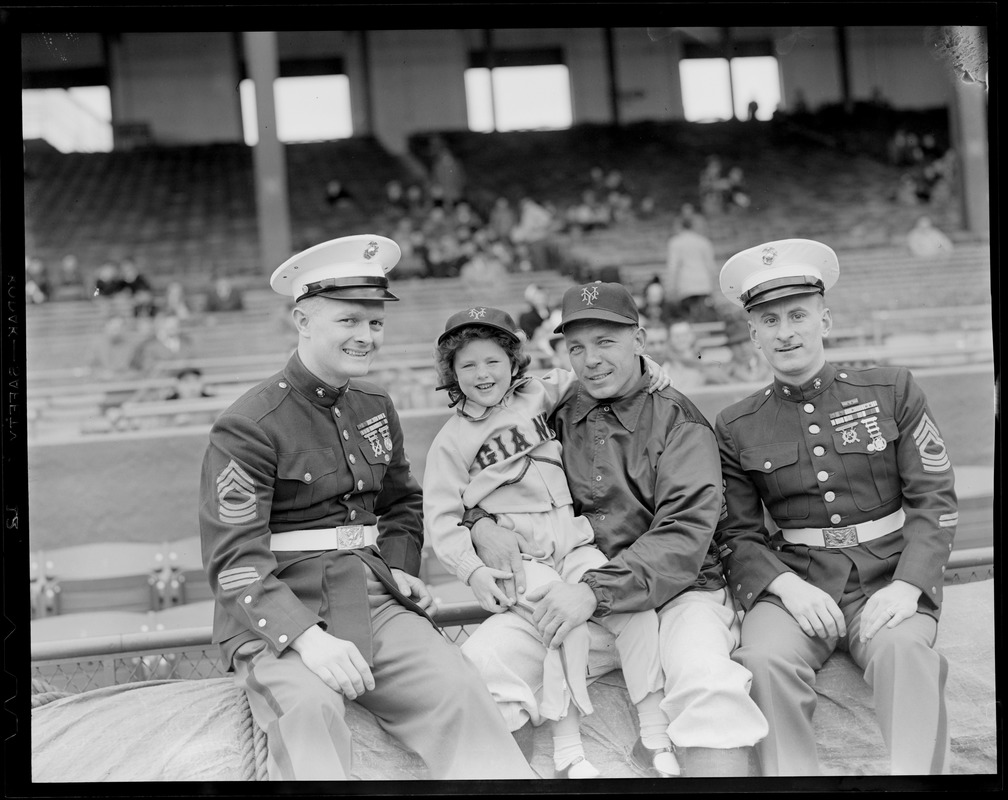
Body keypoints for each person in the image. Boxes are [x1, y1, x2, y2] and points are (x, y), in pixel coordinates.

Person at [198, 235, 538, 782]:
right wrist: (306, 638)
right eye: (348, 321)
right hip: (281, 613)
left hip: (375, 601)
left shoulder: (374, 404)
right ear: (303, 320)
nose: (365, 336)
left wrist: (401, 568)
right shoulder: (251, 422)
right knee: (311, 713)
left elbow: (402, 502)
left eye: (374, 323)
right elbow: (232, 557)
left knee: (461, 690)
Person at [460, 282, 768, 778]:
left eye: (606, 342)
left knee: (710, 686)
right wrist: (479, 525)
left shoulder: (679, 419)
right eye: (576, 347)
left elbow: (684, 534)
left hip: (676, 598)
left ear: (640, 340)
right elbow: (486, 477)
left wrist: (593, 591)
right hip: (570, 590)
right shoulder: (551, 411)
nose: (590, 360)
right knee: (480, 666)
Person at [713, 238, 957, 776]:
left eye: (798, 314)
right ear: (753, 335)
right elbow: (736, 533)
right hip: (798, 580)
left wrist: (909, 584)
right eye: (769, 320)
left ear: (825, 319)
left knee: (904, 654)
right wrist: (784, 587)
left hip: (890, 572)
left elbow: (933, 496)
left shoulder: (890, 388)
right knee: (763, 661)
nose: (786, 332)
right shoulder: (735, 424)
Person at [425, 306, 677, 779]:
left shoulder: (540, 392)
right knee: (566, 624)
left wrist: (648, 370)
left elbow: (592, 374)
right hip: (522, 553)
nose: (483, 374)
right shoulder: (451, 438)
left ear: (514, 361)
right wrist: (474, 570)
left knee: (634, 609)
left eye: (493, 360)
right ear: (451, 373)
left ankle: (654, 731)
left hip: (573, 539)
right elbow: (441, 519)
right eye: (468, 365)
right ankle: (567, 750)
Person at [666, 216, 718, 323]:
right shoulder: (704, 242)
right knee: (704, 318)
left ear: (680, 226)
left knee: (689, 318)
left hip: (686, 285)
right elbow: (711, 267)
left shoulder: (675, 242)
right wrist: (714, 288)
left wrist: (671, 288)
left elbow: (673, 266)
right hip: (704, 283)